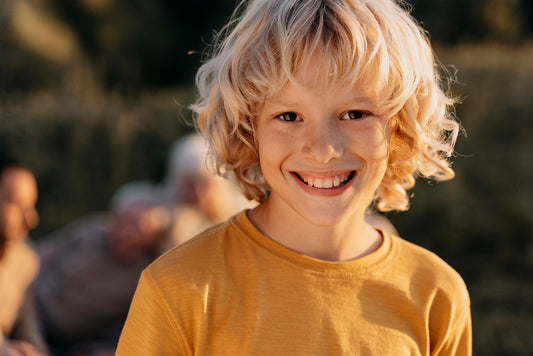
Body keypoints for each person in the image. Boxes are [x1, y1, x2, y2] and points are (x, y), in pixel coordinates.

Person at [117, 0, 471, 354]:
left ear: (401, 125)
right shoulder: (177, 290)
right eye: (289, 116)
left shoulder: (436, 295)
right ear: (247, 129)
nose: (322, 149)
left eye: (354, 113)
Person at [0, 162, 47, 356]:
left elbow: (26, 324)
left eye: (31, 206)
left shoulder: (26, 260)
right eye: (16, 204)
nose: (31, 218)